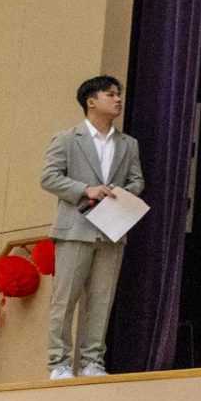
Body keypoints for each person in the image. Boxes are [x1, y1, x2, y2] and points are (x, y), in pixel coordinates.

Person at [37, 75, 143, 380]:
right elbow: (49, 177)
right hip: (75, 229)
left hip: (112, 229)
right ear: (91, 101)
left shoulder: (128, 144)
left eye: (119, 94)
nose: (118, 99)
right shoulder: (68, 139)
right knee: (65, 299)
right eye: (110, 94)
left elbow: (137, 180)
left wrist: (121, 193)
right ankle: (58, 362)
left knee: (102, 298)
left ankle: (92, 362)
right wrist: (87, 189)